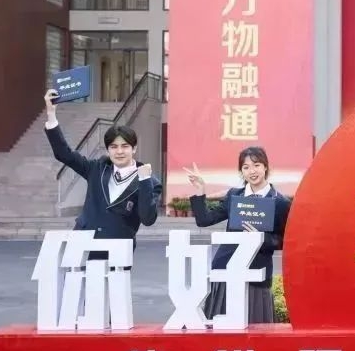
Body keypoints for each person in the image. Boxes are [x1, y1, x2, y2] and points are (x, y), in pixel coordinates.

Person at [43, 89, 161, 257]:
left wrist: (144, 180)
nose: (119, 151)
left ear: (134, 148)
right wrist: (51, 114)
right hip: (82, 246)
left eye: (125, 146)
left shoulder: (151, 182)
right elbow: (64, 154)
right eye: (114, 147)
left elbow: (148, 219)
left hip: (117, 252)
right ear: (107, 150)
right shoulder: (97, 168)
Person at [184, 147, 290, 324]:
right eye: (246, 167)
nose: (252, 171)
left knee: (255, 331)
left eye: (256, 165)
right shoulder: (235, 196)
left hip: (256, 274)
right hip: (226, 270)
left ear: (265, 167)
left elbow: (284, 241)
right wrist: (201, 190)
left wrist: (262, 238)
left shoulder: (280, 202)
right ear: (241, 171)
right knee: (221, 329)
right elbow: (204, 220)